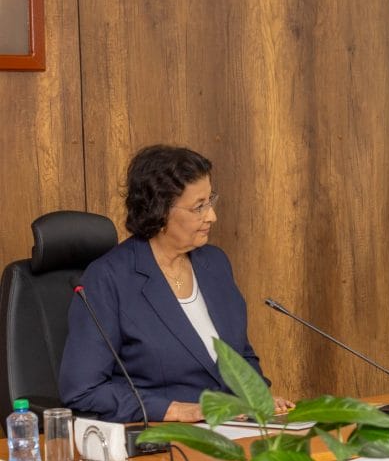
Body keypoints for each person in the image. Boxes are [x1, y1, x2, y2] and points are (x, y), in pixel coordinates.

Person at [59, 145, 292, 423]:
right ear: (159, 211)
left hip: (235, 427)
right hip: (164, 434)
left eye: (210, 200)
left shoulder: (215, 263)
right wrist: (178, 410)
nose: (212, 216)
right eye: (199, 207)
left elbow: (240, 354)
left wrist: (256, 397)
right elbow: (83, 390)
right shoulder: (108, 278)